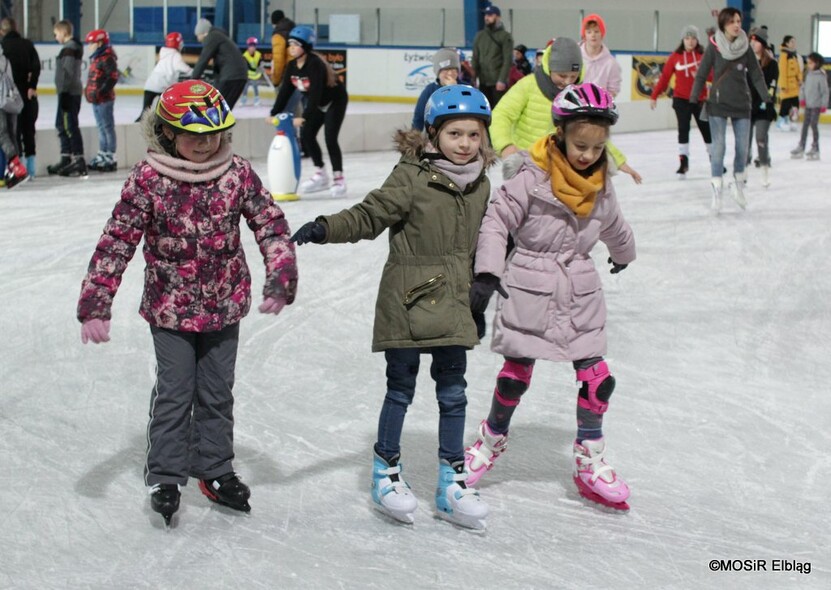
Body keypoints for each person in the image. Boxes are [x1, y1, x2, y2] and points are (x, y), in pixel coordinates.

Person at [76, 81, 298, 525]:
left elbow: (270, 225)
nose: (204, 144)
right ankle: (165, 475)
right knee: (176, 394)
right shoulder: (149, 178)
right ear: (166, 133)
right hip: (170, 312)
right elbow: (117, 239)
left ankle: (214, 470)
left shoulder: (236, 172)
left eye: (212, 134)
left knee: (216, 394)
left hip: (224, 306)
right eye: (192, 135)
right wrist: (96, 302)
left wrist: (281, 276)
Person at [290, 85, 495, 529]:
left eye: (474, 135)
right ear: (433, 134)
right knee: (400, 389)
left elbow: (488, 244)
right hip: (408, 300)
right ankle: (386, 471)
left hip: (456, 304)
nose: (464, 144)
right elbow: (370, 214)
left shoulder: (482, 186)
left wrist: (487, 286)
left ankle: (451, 481)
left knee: (454, 393)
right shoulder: (411, 177)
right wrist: (326, 227)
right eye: (455, 133)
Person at [464, 82, 635, 512]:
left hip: (580, 289)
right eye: (580, 145)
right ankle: (490, 441)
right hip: (530, 286)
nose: (587, 155)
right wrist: (487, 270)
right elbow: (496, 221)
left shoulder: (602, 183)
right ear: (559, 133)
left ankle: (589, 458)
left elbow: (613, 222)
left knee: (598, 380)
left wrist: (624, 253)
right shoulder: (530, 175)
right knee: (514, 375)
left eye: (597, 148)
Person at [490, 37, 641, 183]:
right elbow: (501, 115)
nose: (567, 81)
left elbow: (592, 132)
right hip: (527, 165)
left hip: (561, 167)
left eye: (573, 76)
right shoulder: (528, 85)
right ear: (550, 68)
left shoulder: (577, 95)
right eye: (562, 75)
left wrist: (618, 161)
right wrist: (506, 147)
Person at [689, 7, 770, 214]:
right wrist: (693, 97)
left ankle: (738, 184)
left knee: (743, 149)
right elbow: (702, 74)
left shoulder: (746, 47)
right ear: (723, 24)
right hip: (718, 104)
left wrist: (766, 97)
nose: (737, 25)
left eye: (738, 21)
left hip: (742, 104)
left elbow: (756, 73)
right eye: (732, 21)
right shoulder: (714, 47)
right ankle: (717, 190)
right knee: (719, 148)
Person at [269, 26, 349, 198]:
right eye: (290, 44)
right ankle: (321, 173)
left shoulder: (315, 65)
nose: (291, 47)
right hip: (318, 104)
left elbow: (315, 93)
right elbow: (285, 92)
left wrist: (304, 117)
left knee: (330, 137)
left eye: (296, 44)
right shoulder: (292, 66)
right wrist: (273, 112)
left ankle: (339, 177)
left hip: (335, 101)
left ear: (305, 47)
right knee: (307, 135)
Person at [649, 25, 713, 178]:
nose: (690, 42)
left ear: (697, 40)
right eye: (687, 38)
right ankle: (683, 163)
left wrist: (702, 74)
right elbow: (664, 78)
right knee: (683, 130)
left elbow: (712, 76)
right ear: (683, 40)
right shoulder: (675, 58)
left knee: (707, 130)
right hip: (681, 99)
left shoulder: (703, 56)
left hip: (700, 100)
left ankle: (715, 160)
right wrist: (654, 95)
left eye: (693, 38)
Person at [0, 17, 39, 180]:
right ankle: (31, 167)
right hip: (23, 94)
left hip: (5, 96)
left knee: (9, 132)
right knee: (27, 129)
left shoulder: (3, 47)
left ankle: (17, 166)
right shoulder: (28, 44)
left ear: (2, 31)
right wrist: (32, 85)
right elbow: (36, 65)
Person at [48, 19, 86, 177]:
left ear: (64, 32)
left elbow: (67, 72)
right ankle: (66, 157)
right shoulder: (70, 47)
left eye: (56, 34)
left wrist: (63, 91)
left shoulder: (69, 48)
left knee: (69, 125)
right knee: (61, 124)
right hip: (68, 92)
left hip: (68, 93)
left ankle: (78, 159)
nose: (55, 37)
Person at [192, 18, 248, 109]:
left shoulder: (212, 37)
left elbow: (203, 60)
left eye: (198, 35)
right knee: (222, 110)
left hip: (231, 77)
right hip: (238, 76)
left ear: (203, 33)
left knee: (217, 110)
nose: (198, 39)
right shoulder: (220, 36)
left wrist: (192, 80)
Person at [136, 32, 192, 122]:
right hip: (163, 85)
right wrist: (193, 71)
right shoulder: (175, 55)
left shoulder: (164, 52)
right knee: (169, 110)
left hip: (150, 84)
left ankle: (137, 128)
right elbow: (183, 68)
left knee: (144, 112)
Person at [84, 29, 118, 172]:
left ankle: (110, 155)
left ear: (99, 43)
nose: (89, 46)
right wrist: (89, 92)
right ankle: (103, 153)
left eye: (91, 43)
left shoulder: (107, 57)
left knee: (107, 127)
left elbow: (113, 77)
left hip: (104, 100)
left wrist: (100, 92)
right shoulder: (97, 57)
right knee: (101, 127)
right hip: (97, 100)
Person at [747, 27, 778, 187]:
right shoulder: (746, 61)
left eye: (756, 40)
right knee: (745, 141)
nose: (753, 43)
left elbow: (772, 86)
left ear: (763, 44)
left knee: (760, 137)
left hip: (764, 108)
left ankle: (764, 168)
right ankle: (742, 173)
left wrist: (767, 101)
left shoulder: (772, 64)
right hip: (746, 107)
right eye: (751, 40)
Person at [472, 5, 513, 107]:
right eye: (486, 15)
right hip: (483, 81)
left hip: (497, 82)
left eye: (490, 15)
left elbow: (507, 60)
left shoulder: (505, 36)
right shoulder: (480, 36)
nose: (487, 17)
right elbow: (475, 58)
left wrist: (502, 80)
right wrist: (473, 78)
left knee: (498, 109)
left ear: (498, 17)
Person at [790, 53, 829, 161]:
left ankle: (815, 147)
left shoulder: (821, 76)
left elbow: (825, 92)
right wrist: (801, 99)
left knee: (813, 125)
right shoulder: (807, 74)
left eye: (810, 63)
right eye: (808, 62)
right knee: (805, 126)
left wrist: (823, 105)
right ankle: (801, 146)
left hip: (816, 106)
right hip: (807, 105)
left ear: (816, 63)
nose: (808, 64)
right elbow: (802, 87)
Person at [412, 47, 459, 131]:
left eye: (453, 69)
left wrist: (454, 90)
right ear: (438, 72)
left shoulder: (466, 88)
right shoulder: (429, 90)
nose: (450, 73)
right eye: (446, 69)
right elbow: (419, 118)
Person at [0, 44, 27, 187]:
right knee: (10, 134)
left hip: (1, 102)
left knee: (2, 135)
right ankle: (15, 169)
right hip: (10, 99)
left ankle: (17, 167)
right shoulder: (4, 58)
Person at [579, 14, 622, 97]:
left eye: (596, 31)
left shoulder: (611, 63)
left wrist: (602, 101)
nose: (593, 35)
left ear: (602, 34)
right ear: (584, 35)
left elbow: (613, 90)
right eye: (589, 32)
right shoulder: (575, 56)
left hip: (600, 107)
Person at [777, 35, 803, 131]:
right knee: (785, 104)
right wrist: (783, 85)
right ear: (787, 43)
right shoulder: (784, 55)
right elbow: (782, 71)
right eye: (792, 42)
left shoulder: (794, 55)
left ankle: (791, 120)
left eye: (794, 42)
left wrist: (800, 79)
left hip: (794, 86)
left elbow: (798, 70)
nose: (793, 44)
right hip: (787, 85)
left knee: (795, 104)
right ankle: (781, 121)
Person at [270, 10, 296, 88]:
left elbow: (278, 60)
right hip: (300, 72)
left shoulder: (278, 35)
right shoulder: (294, 30)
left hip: (288, 74)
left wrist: (276, 80)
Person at [241, 37, 264, 106]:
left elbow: (260, 63)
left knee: (255, 86)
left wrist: (261, 67)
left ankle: (256, 100)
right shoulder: (245, 55)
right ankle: (243, 100)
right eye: (251, 46)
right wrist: (257, 69)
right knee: (245, 87)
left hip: (255, 75)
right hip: (247, 75)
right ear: (248, 47)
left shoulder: (258, 54)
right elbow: (247, 67)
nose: (252, 48)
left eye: (254, 46)